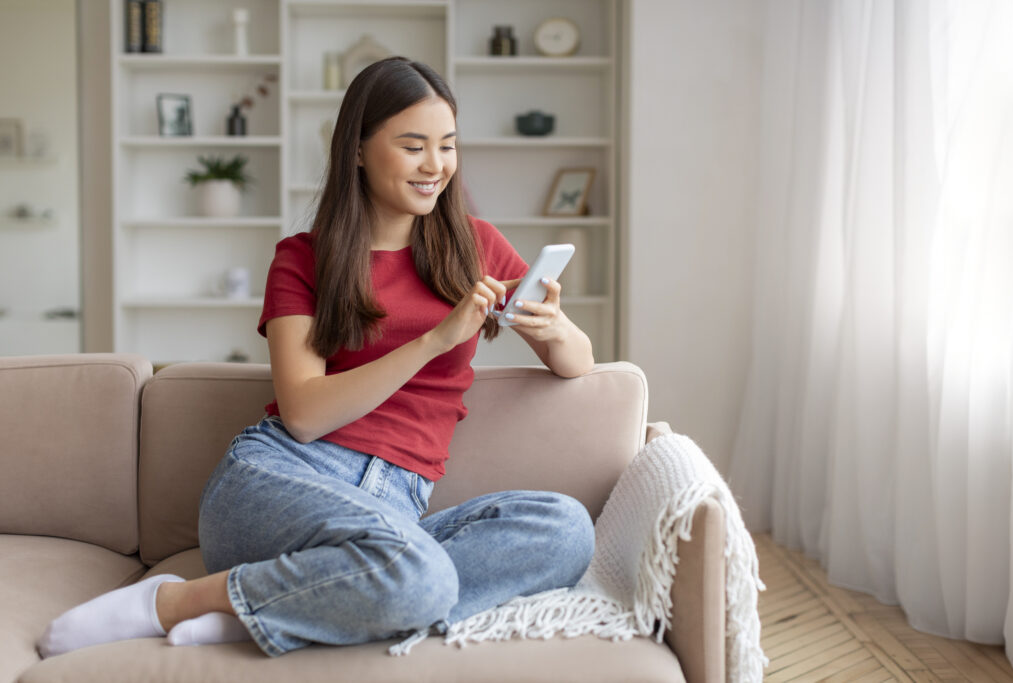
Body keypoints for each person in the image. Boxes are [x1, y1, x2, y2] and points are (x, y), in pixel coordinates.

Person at [37, 56, 596, 659]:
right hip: (280, 483)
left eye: (447, 146)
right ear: (357, 150)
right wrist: (436, 338)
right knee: (418, 574)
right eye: (413, 147)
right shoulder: (304, 259)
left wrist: (553, 325)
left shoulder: (476, 245)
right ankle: (174, 602)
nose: (435, 166)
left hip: (395, 509)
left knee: (565, 529)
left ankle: (283, 607)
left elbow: (578, 363)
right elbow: (304, 415)